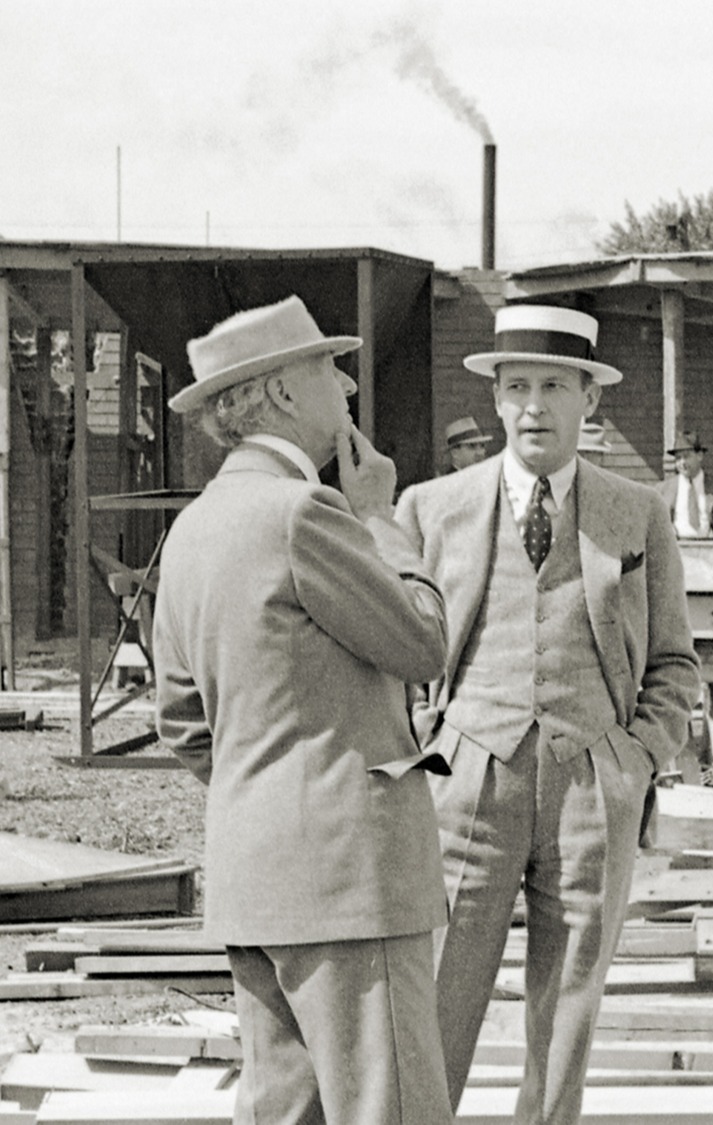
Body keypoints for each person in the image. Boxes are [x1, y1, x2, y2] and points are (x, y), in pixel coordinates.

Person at [152, 295, 454, 1125]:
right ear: (282, 393)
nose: (349, 384)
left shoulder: (193, 528)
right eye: (329, 366)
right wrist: (382, 520)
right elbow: (424, 644)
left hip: (257, 881)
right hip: (351, 879)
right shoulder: (305, 512)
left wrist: (275, 786)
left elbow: (181, 721)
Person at [395, 303, 700, 1125]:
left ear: (588, 401)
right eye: (517, 385)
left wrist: (634, 755)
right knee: (436, 997)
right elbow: (391, 655)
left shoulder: (635, 511)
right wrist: (424, 751)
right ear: (495, 398)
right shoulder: (430, 508)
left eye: (555, 386)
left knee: (568, 1010)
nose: (535, 404)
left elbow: (675, 661)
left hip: (590, 785)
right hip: (464, 785)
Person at [657, 429, 713, 539]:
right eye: (678, 458)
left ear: (699, 456)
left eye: (686, 456)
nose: (682, 463)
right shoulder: (663, 490)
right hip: (676, 550)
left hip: (709, 550)